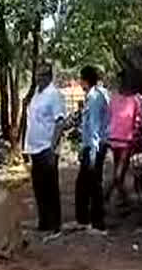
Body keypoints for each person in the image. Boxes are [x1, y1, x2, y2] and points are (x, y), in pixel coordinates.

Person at [23, 62, 67, 235]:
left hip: (47, 149)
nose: (38, 78)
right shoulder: (36, 95)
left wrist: (52, 146)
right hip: (34, 148)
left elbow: (60, 122)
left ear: (49, 76)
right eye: (36, 75)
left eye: (41, 76)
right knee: (38, 187)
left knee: (51, 187)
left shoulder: (53, 95)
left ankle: (55, 223)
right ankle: (44, 221)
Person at [73, 65, 110, 233]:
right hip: (90, 146)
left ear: (85, 80)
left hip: (95, 147)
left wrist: (93, 153)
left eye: (81, 78)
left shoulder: (95, 98)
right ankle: (84, 220)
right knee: (83, 185)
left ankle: (98, 223)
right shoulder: (93, 96)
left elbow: (95, 126)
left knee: (94, 185)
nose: (79, 82)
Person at [106, 72, 142, 213]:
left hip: (127, 141)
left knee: (118, 173)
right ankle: (123, 200)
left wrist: (137, 133)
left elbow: (140, 119)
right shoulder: (114, 98)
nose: (122, 84)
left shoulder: (135, 99)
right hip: (114, 140)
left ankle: (108, 197)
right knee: (119, 173)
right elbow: (109, 117)